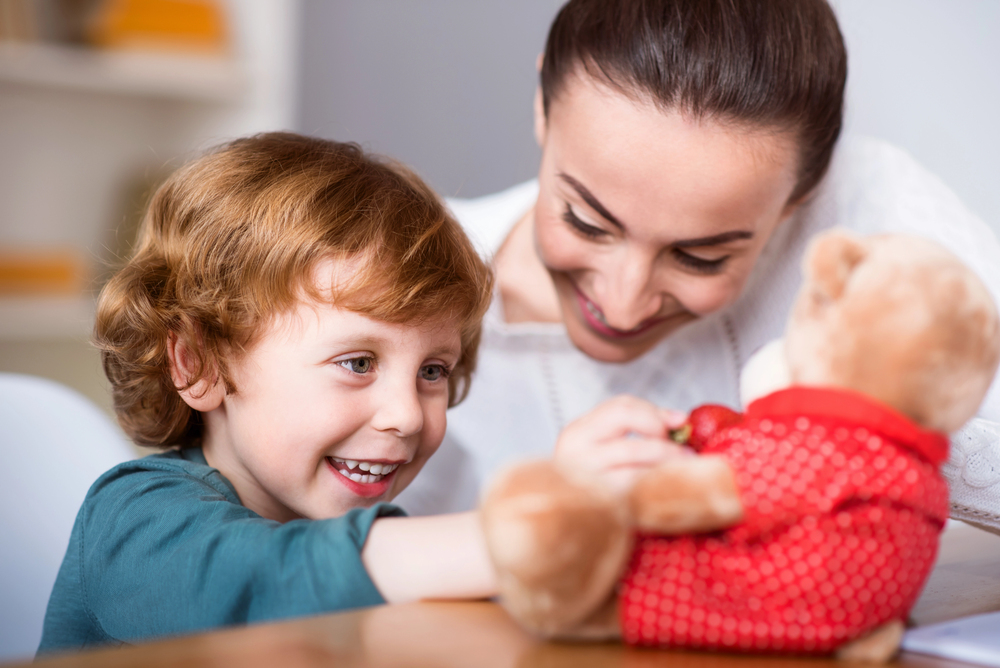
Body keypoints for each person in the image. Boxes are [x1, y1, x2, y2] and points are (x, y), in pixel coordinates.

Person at [395, 0, 1000, 534]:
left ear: (803, 194)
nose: (623, 303)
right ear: (542, 108)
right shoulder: (394, 281)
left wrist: (857, 420)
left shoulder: (869, 223)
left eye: (701, 257)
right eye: (585, 221)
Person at [38, 133, 496, 652]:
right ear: (199, 363)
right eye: (358, 363)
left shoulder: (365, 545)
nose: (407, 416)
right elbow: (261, 582)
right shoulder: (134, 524)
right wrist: (510, 544)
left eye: (432, 372)